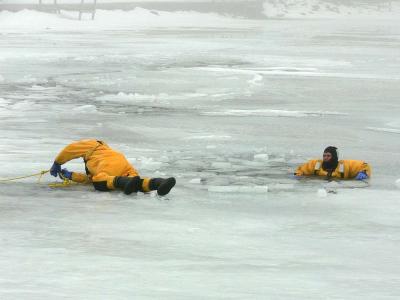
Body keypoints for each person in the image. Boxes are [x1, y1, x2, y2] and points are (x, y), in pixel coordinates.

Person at [49, 139, 176, 196]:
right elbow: (89, 179)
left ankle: (125, 183)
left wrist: (57, 162)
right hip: (123, 163)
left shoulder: (94, 145)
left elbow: (71, 149)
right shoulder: (96, 159)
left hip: (109, 164)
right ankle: (159, 183)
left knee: (100, 182)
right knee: (137, 182)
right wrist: (71, 176)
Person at [294, 146, 371, 180]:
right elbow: (301, 169)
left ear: (334, 157)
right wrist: (298, 174)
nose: (325, 158)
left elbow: (364, 165)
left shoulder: (344, 166)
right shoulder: (316, 165)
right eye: (324, 155)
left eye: (328, 155)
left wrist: (364, 172)